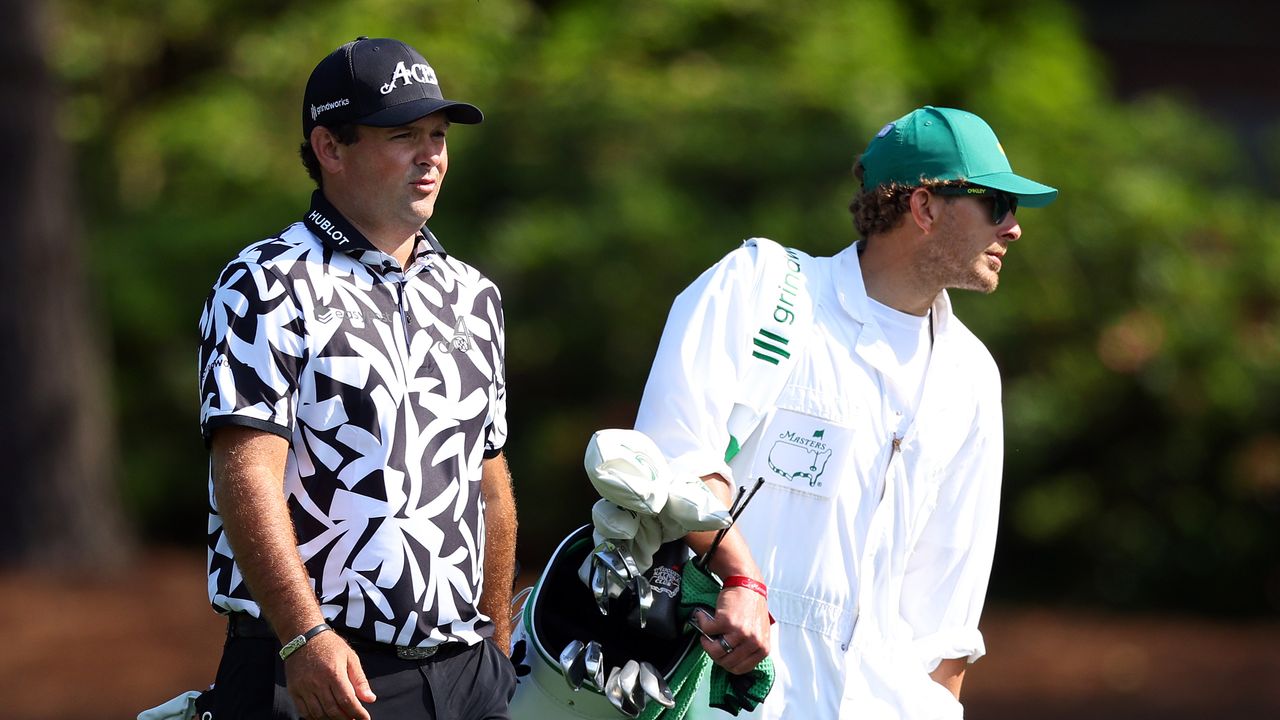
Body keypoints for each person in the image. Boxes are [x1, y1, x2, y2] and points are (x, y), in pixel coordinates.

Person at [633, 106, 1057, 719]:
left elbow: (946, 619)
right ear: (925, 207)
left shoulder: (972, 375)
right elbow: (669, 459)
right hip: (714, 696)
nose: (1014, 228)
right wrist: (743, 577)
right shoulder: (761, 286)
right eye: (996, 203)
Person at [197, 37, 517, 720]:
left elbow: (488, 476)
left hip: (468, 673)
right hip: (321, 675)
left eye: (438, 135)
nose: (431, 154)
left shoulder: (473, 295)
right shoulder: (264, 282)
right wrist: (303, 636)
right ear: (330, 147)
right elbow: (244, 472)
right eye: (404, 135)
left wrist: (497, 635)